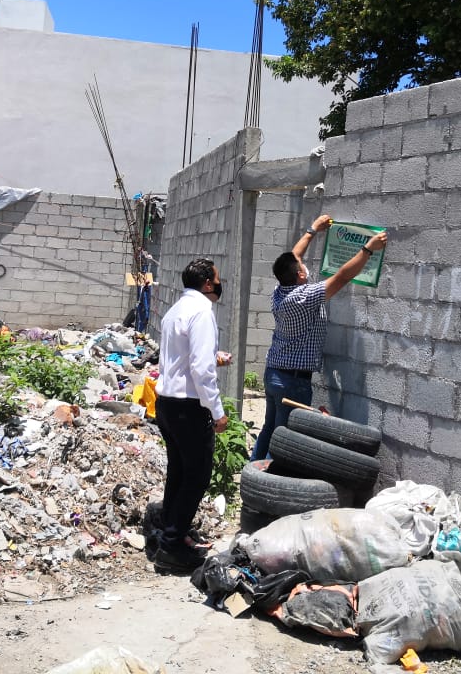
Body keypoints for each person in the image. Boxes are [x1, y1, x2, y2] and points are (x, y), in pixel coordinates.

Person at [251, 215, 388, 461]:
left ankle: (251, 476)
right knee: (283, 438)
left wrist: (313, 229)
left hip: (274, 373)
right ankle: (266, 488)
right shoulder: (305, 297)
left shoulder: (280, 290)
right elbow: (342, 277)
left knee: (269, 430)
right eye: (302, 267)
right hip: (292, 381)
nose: (304, 265)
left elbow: (295, 256)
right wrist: (369, 248)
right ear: (300, 276)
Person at [153, 257, 231, 572]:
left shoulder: (176, 310)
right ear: (208, 283)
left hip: (167, 402)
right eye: (217, 278)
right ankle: (171, 548)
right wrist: (217, 411)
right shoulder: (202, 312)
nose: (219, 283)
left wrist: (213, 359)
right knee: (196, 476)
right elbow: (200, 369)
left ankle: (172, 534)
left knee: (179, 472)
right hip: (188, 407)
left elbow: (185, 358)